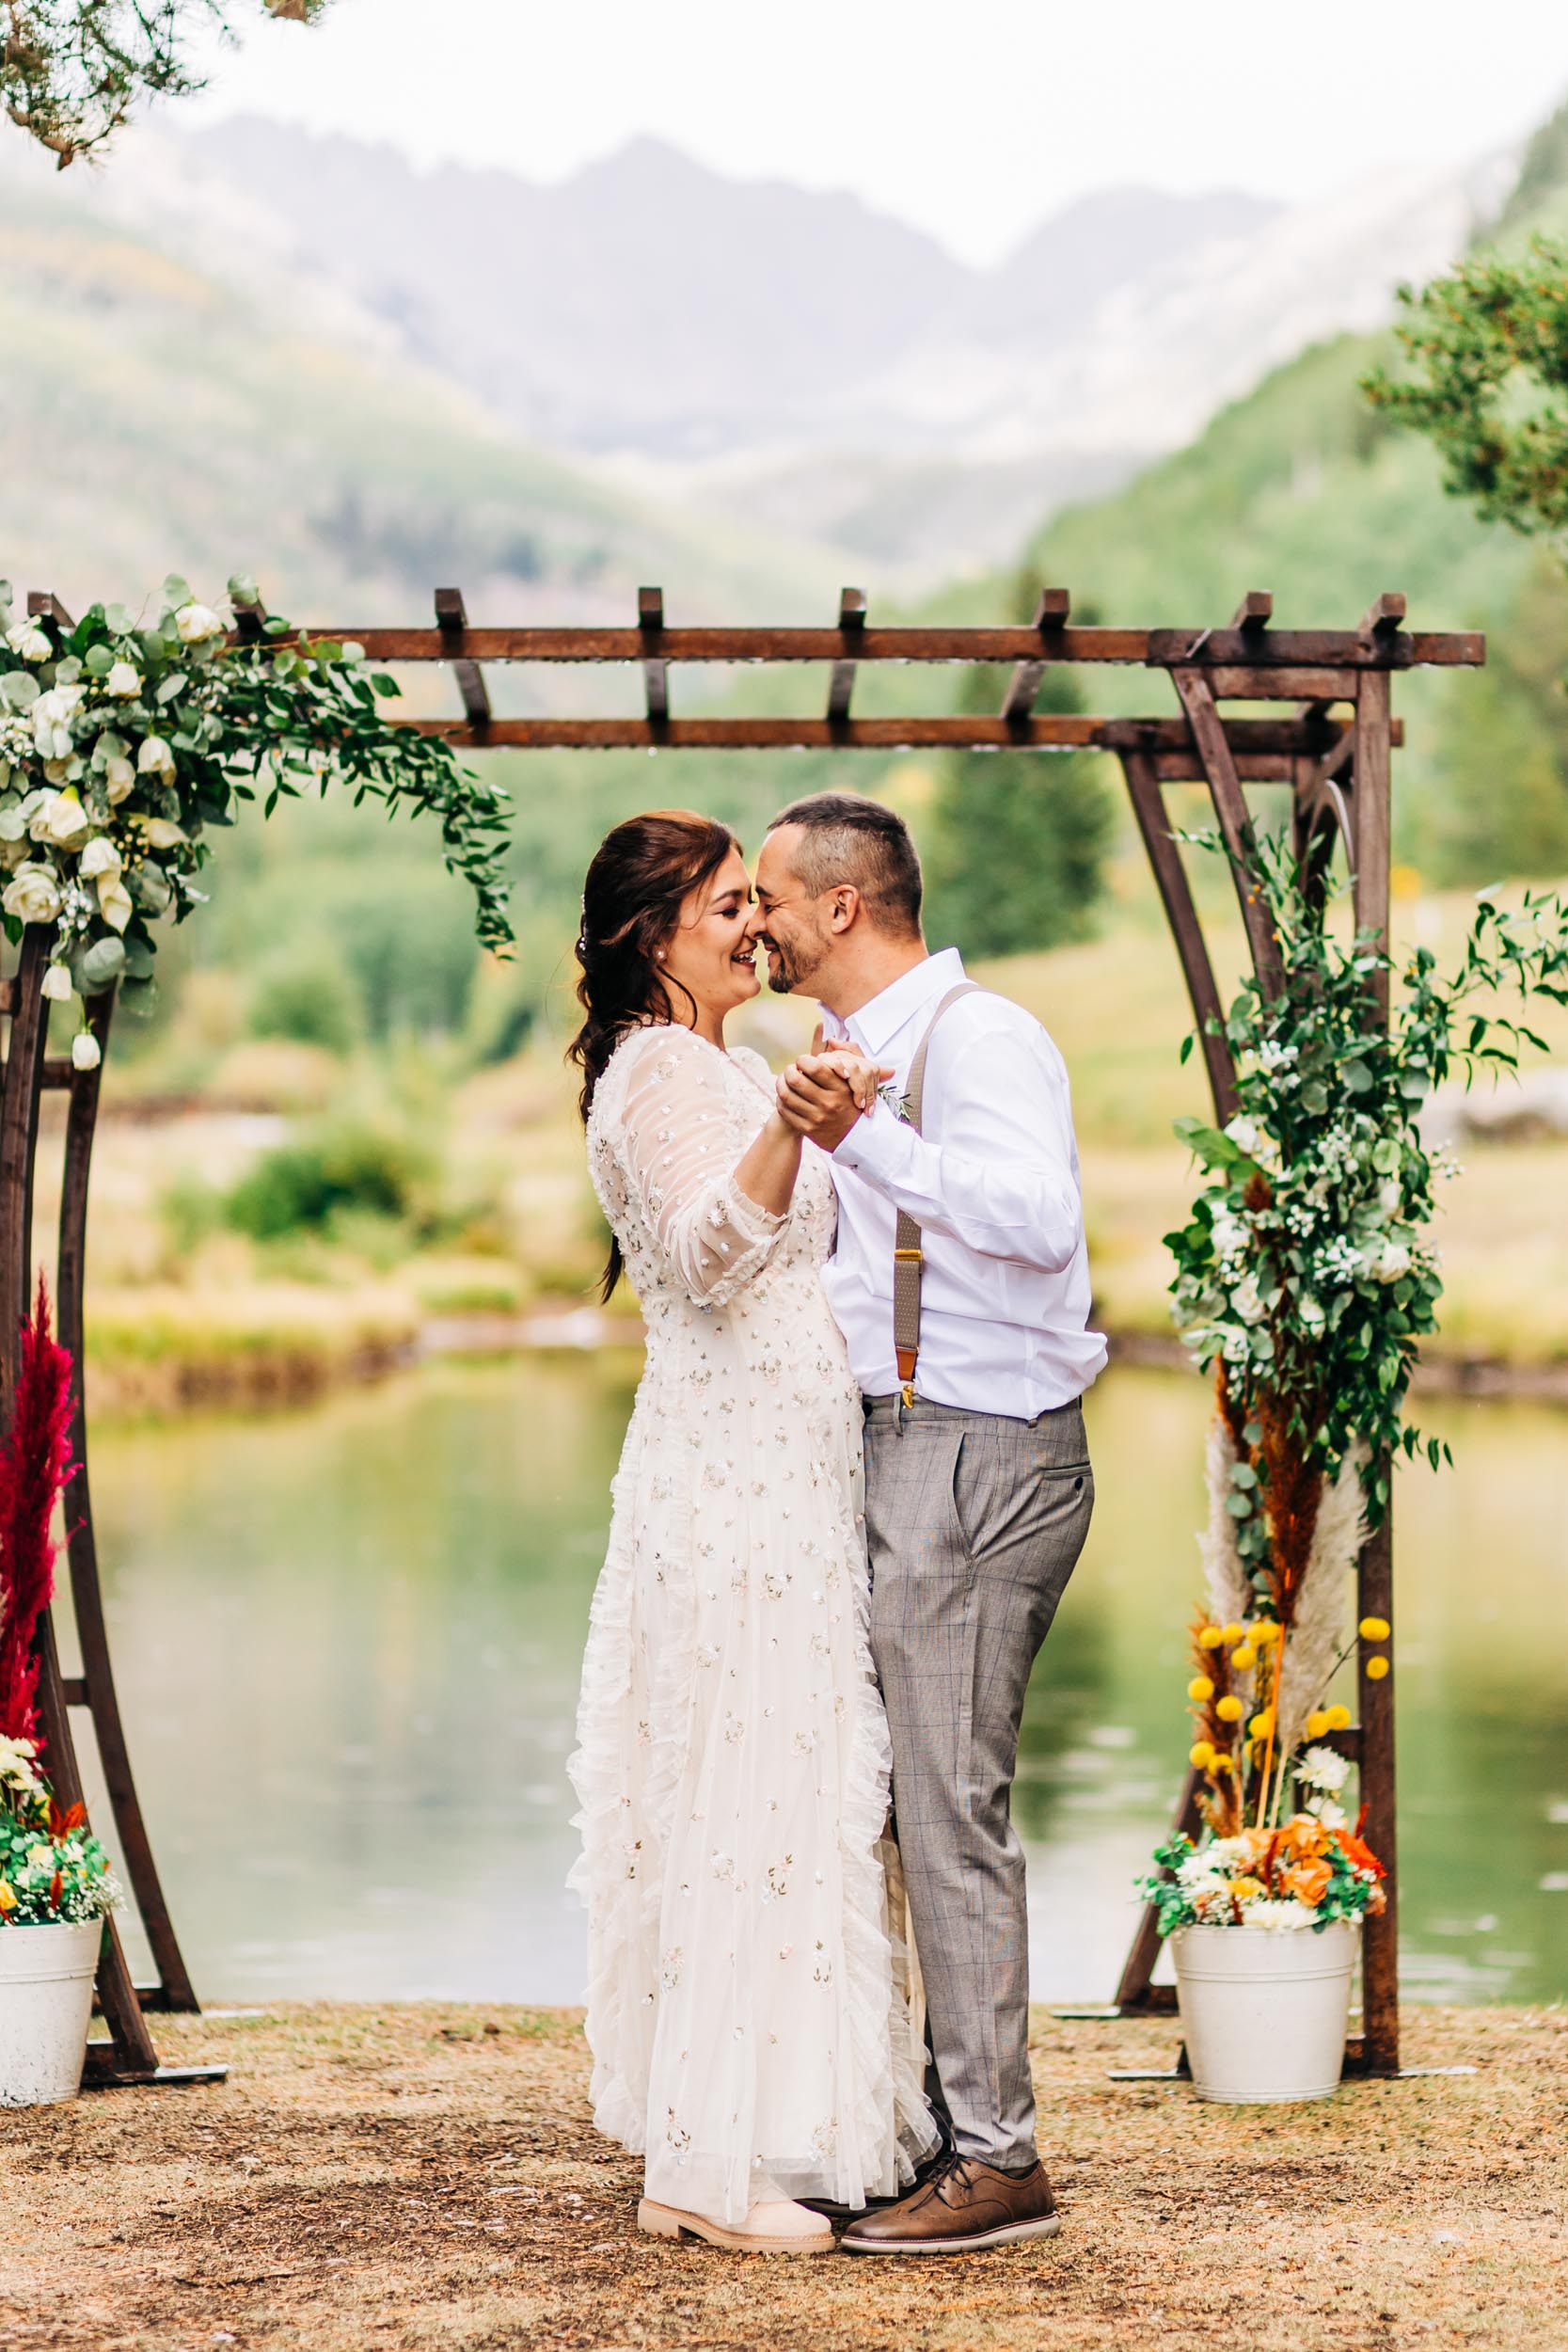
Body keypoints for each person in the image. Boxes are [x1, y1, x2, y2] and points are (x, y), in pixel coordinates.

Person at [565, 809, 939, 2257]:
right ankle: (704, 2171)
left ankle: (777, 2123)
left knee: (791, 1779)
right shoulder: (660, 1071)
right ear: (650, 937)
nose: (755, 928)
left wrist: (821, 1120)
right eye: (728, 908)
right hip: (728, 1483)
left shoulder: (707, 1062)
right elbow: (715, 1258)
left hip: (786, 1468)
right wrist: (789, 1132)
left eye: (755, 904)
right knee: (741, 1787)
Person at [755, 790, 1106, 2256]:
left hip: (976, 1452)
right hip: (905, 1445)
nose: (757, 920)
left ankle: (999, 2157)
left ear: (842, 906)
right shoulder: (857, 1056)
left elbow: (1038, 1216)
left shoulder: (981, 1041)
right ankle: (929, 2123)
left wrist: (876, 1148)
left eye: (769, 895)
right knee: (907, 1805)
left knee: (950, 1811)